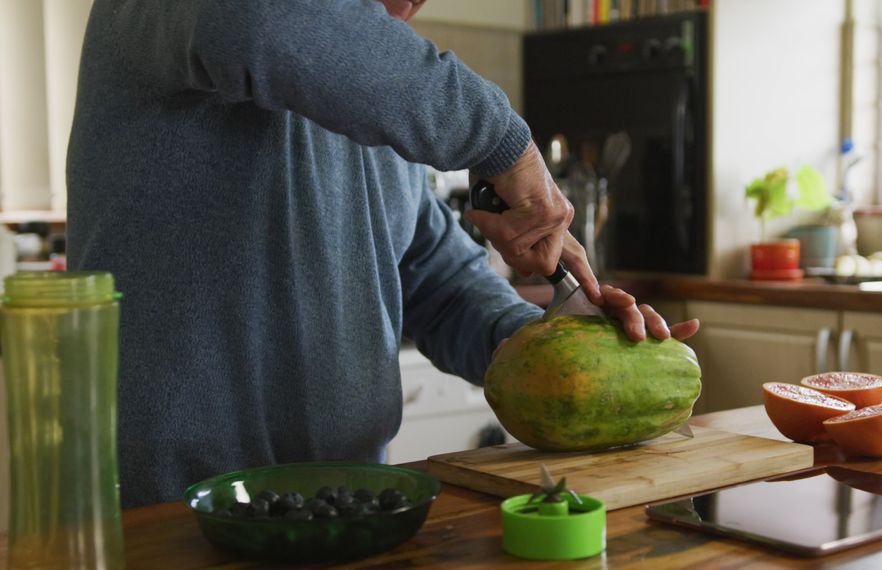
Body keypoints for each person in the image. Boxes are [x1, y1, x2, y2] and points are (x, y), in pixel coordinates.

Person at [67, 0, 699, 507]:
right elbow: (263, 21)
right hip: (172, 511)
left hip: (346, 506)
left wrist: (548, 342)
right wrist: (504, 141)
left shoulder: (366, 105)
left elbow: (439, 280)